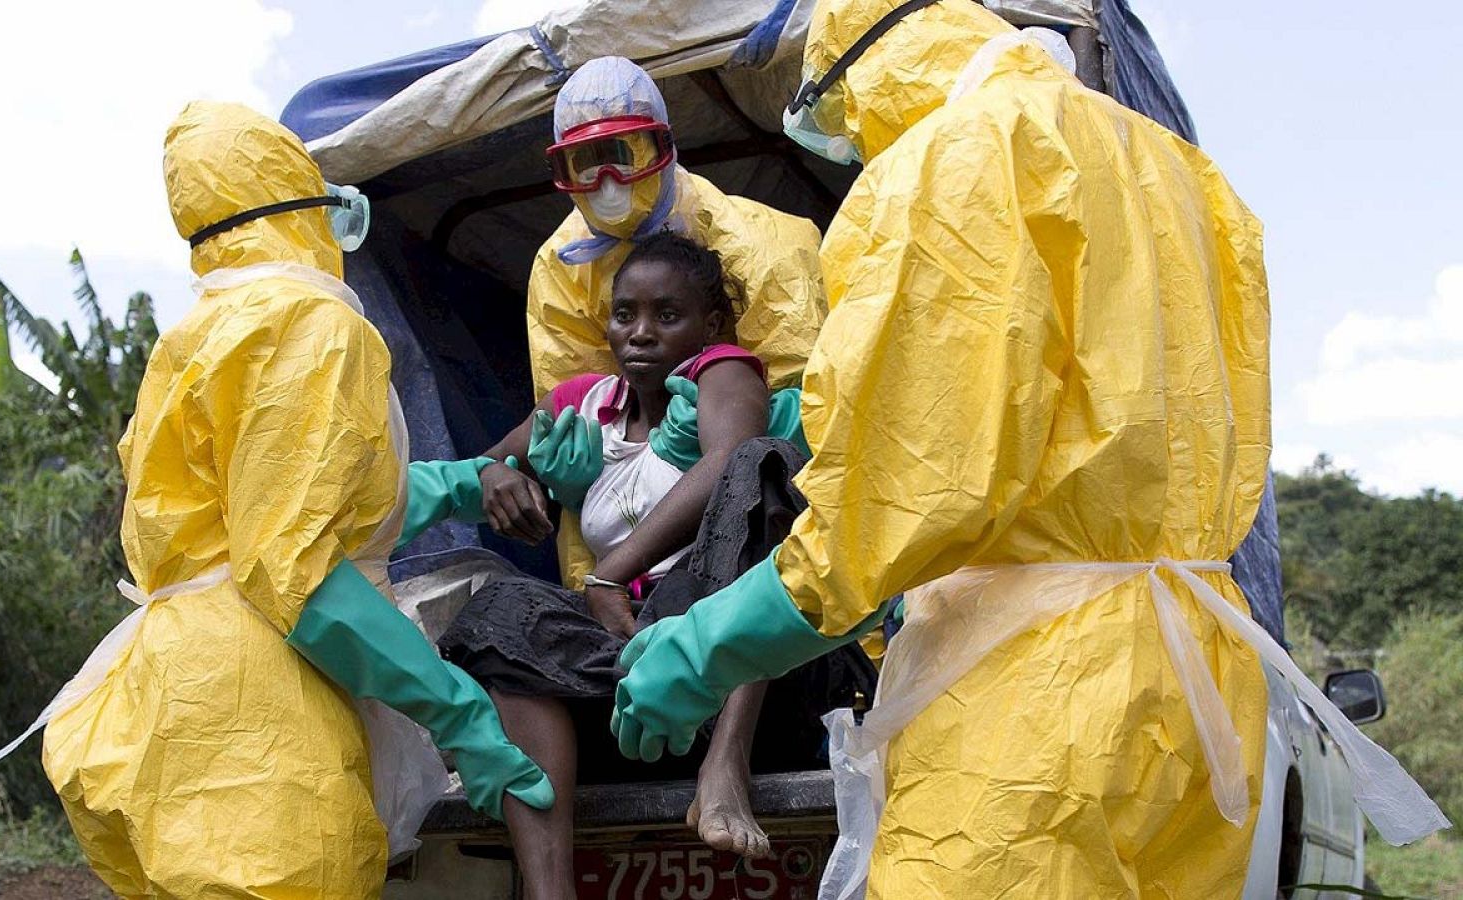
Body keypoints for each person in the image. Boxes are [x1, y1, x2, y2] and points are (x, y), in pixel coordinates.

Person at [612, 1, 1443, 896]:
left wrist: (710, 643)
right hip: (1197, 684)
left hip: (1028, 707)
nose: (846, 141)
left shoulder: (954, 158)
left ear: (866, 68)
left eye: (834, 113)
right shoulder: (1186, 174)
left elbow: (909, 493)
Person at [0, 101, 552, 899]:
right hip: (261, 717)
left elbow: (298, 505)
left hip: (177, 696)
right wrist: (458, 710)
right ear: (300, 208)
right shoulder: (311, 324)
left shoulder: (201, 331)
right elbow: (297, 571)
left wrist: (464, 481)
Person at [435, 234, 875, 900]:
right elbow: (479, 469)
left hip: (753, 668)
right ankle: (550, 892)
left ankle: (725, 769)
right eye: (625, 315)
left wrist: (610, 570)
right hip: (639, 671)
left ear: (710, 326)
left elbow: (732, 458)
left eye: (667, 316)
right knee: (498, 613)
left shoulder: (724, 373)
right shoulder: (583, 404)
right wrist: (501, 474)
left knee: (767, 466)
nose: (640, 333)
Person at [530, 56, 827, 587]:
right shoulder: (561, 269)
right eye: (585, 164)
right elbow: (576, 418)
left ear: (663, 149)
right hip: (637, 562)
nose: (607, 182)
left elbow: (816, 423)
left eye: (622, 155)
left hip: (754, 527)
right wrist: (594, 593)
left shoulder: (764, 247)